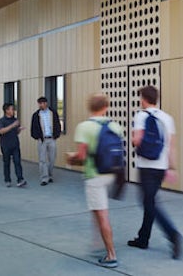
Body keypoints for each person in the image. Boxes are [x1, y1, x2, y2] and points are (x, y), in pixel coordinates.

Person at [66, 93, 123, 268]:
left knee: (102, 214)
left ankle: (111, 255)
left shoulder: (84, 127)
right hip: (112, 173)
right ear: (106, 107)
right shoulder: (115, 126)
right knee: (97, 210)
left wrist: (71, 158)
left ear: (89, 107)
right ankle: (98, 242)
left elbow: (82, 156)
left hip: (94, 175)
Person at [127, 85, 183, 259]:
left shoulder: (141, 116)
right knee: (149, 201)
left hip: (146, 166)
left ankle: (173, 234)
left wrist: (132, 139)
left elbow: (137, 140)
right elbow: (172, 146)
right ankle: (143, 239)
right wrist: (172, 168)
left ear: (144, 99)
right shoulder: (167, 118)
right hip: (161, 166)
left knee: (148, 203)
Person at [30, 96, 62, 186]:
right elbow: (33, 127)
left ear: (46, 103)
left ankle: (50, 175)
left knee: (52, 159)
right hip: (42, 140)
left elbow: (58, 124)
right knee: (42, 160)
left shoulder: (53, 113)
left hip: (52, 139)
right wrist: (37, 136)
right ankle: (44, 178)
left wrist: (57, 134)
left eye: (42, 103)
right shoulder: (36, 115)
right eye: (39, 104)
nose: (40, 105)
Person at [0, 103, 26, 187]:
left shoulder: (15, 120)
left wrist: (19, 129)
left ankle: (20, 179)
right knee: (6, 163)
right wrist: (12, 126)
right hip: (5, 145)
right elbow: (1, 131)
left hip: (15, 144)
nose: (13, 111)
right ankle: (7, 180)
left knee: (17, 162)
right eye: (12, 109)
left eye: (13, 109)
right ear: (6, 111)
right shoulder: (1, 121)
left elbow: (16, 132)